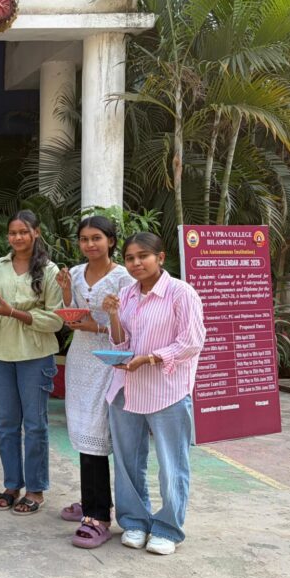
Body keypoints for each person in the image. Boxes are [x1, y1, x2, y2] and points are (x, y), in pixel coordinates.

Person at [102, 232, 205, 556]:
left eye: (143, 256)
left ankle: (168, 528)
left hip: (167, 391)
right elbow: (121, 343)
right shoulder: (127, 294)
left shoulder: (181, 293)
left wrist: (149, 359)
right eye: (130, 258)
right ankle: (135, 521)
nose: (136, 263)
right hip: (126, 389)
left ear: (160, 258)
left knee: (172, 463)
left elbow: (191, 342)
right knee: (127, 462)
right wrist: (113, 315)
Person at [0, 209, 63, 516]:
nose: (18, 237)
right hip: (0, 352)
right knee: (6, 423)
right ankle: (12, 485)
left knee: (35, 424)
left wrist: (14, 313)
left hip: (35, 353)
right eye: (13, 233)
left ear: (36, 232)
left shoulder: (49, 270)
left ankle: (35, 489)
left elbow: (56, 319)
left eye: (24, 231)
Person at [54, 216, 133, 547]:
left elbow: (132, 326)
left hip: (109, 364)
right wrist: (66, 291)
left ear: (111, 241)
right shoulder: (74, 273)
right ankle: (92, 500)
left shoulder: (124, 277)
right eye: (84, 239)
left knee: (98, 434)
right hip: (80, 362)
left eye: (96, 238)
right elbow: (71, 315)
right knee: (82, 431)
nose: (90, 244)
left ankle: (98, 515)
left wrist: (98, 326)